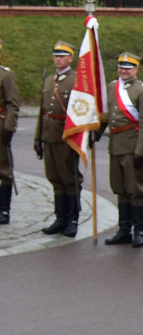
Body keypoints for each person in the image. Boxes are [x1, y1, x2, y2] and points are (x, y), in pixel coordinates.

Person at [99, 52, 143, 247]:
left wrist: (141, 151)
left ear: (136, 69)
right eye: (121, 67)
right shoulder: (111, 87)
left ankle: (139, 231)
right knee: (120, 189)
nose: (123, 70)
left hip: (133, 147)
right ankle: (124, 229)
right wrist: (94, 134)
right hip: (115, 145)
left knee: (136, 191)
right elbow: (106, 116)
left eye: (128, 67)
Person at [34, 41, 81, 237]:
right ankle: (60, 217)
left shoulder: (76, 80)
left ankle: (72, 218)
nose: (58, 59)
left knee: (69, 178)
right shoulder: (49, 79)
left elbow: (80, 111)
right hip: (49, 135)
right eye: (56, 55)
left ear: (71, 58)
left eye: (62, 55)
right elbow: (42, 111)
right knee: (54, 177)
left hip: (67, 136)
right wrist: (38, 137)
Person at [0, 39, 20, 225]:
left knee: (3, 169)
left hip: (0, 128)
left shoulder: (6, 75)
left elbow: (13, 104)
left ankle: (4, 209)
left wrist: (8, 127)